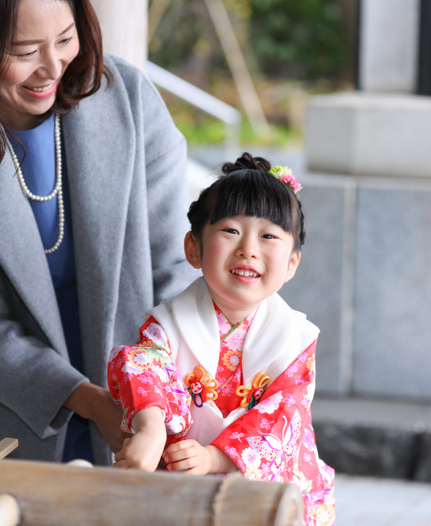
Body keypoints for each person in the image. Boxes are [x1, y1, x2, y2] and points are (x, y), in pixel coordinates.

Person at [0, 0, 196, 465]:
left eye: (66, 39)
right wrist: (85, 399)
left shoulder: (130, 100)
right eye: (25, 50)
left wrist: (151, 397)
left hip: (144, 414)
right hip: (2, 420)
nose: (52, 67)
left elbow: (176, 269)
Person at [108, 155, 336, 526]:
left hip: (259, 487)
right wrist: (149, 427)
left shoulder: (295, 339)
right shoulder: (168, 324)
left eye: (268, 236)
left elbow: (284, 415)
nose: (248, 248)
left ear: (292, 263)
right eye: (231, 231)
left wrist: (217, 458)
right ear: (194, 248)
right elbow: (144, 367)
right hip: (182, 474)